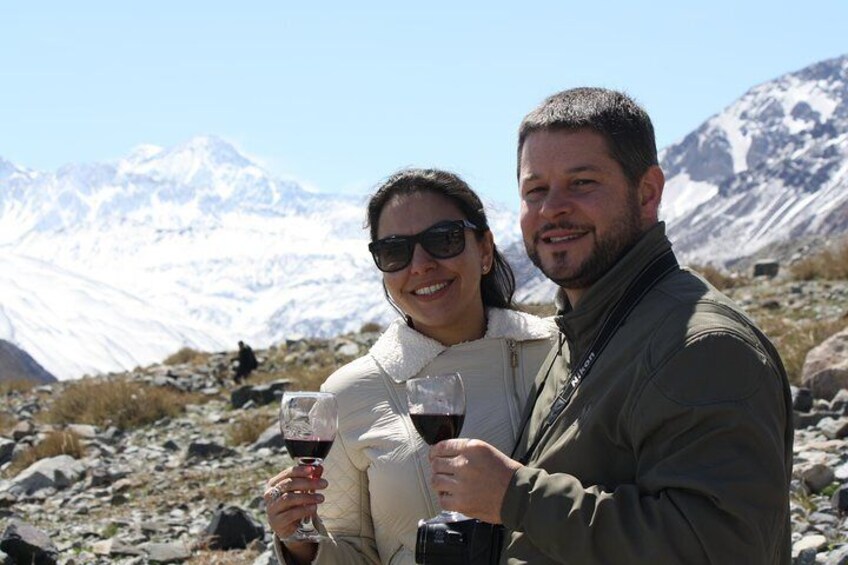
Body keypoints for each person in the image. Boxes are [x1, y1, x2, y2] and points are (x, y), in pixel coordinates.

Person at [427, 88, 793, 564]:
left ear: (647, 193)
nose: (552, 207)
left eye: (581, 183)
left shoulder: (702, 346)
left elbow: (718, 546)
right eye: (535, 190)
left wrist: (516, 496)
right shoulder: (581, 330)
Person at [264, 168, 556, 564]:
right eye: (394, 251)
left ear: (485, 249)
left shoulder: (560, 351)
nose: (420, 265)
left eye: (444, 239)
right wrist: (300, 544)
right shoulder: (351, 392)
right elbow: (353, 549)